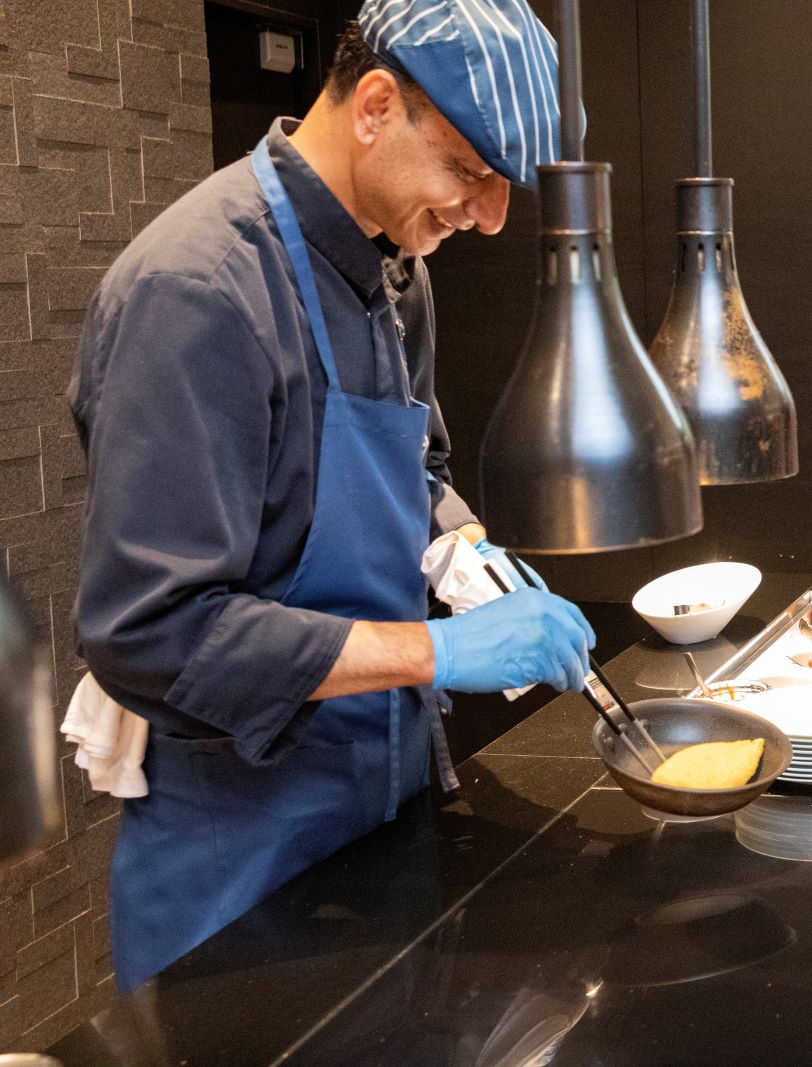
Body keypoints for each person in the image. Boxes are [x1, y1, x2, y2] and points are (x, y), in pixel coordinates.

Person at [71, 0, 595, 992]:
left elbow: (417, 468)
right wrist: (440, 652)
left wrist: (464, 551)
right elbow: (150, 632)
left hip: (383, 803)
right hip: (241, 859)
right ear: (377, 106)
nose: (488, 217)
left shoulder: (398, 272)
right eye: (470, 172)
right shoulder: (199, 290)